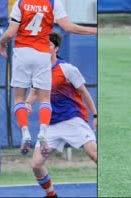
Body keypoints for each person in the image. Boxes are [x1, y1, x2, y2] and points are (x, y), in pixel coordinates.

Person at [0, 0, 97, 158]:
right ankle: (43, 131)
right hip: (42, 53)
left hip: (22, 52)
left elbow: (11, 32)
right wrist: (92, 30)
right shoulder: (53, 2)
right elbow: (67, 27)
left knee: (19, 98)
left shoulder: (21, 3)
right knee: (44, 98)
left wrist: (1, 42)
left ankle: (26, 132)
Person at [25, 32, 97, 197]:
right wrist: (28, 104)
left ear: (56, 48)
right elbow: (34, 93)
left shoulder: (67, 69)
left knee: (94, 155)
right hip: (50, 126)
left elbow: (84, 92)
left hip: (72, 120)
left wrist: (95, 115)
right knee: (36, 165)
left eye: (49, 45)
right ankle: (51, 195)